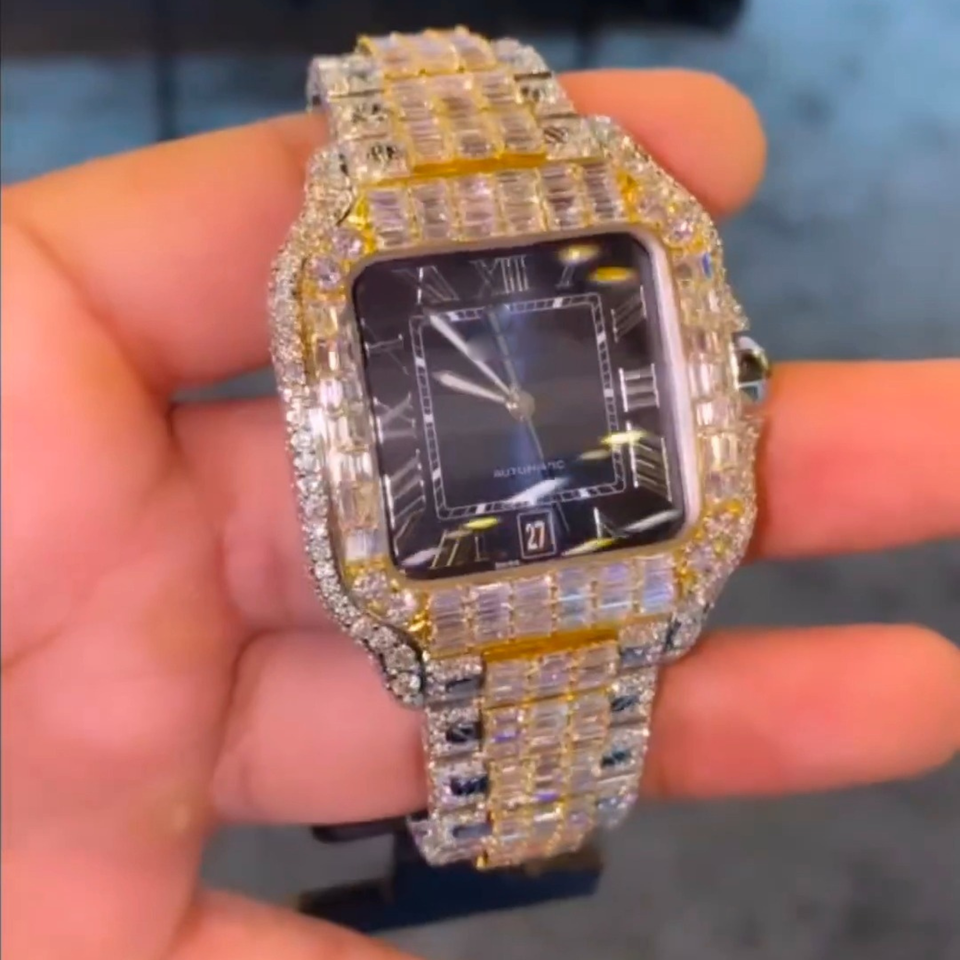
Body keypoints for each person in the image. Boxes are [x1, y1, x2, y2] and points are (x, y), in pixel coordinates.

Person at [2, 69, 958, 960]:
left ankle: (522, 826)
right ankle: (504, 828)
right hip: (459, 582)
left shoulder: (633, 257)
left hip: (618, 565)